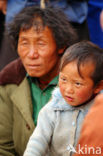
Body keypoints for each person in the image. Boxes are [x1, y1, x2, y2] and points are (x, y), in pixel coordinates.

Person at [0, 6, 77, 156]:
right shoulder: (8, 84)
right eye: (24, 43)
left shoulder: (83, 84)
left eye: (41, 44)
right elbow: (3, 148)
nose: (31, 54)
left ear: (60, 46)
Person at [23, 41, 103, 156]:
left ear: (98, 86)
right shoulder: (52, 110)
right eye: (63, 79)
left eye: (78, 84)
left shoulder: (99, 112)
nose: (68, 89)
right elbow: (37, 143)